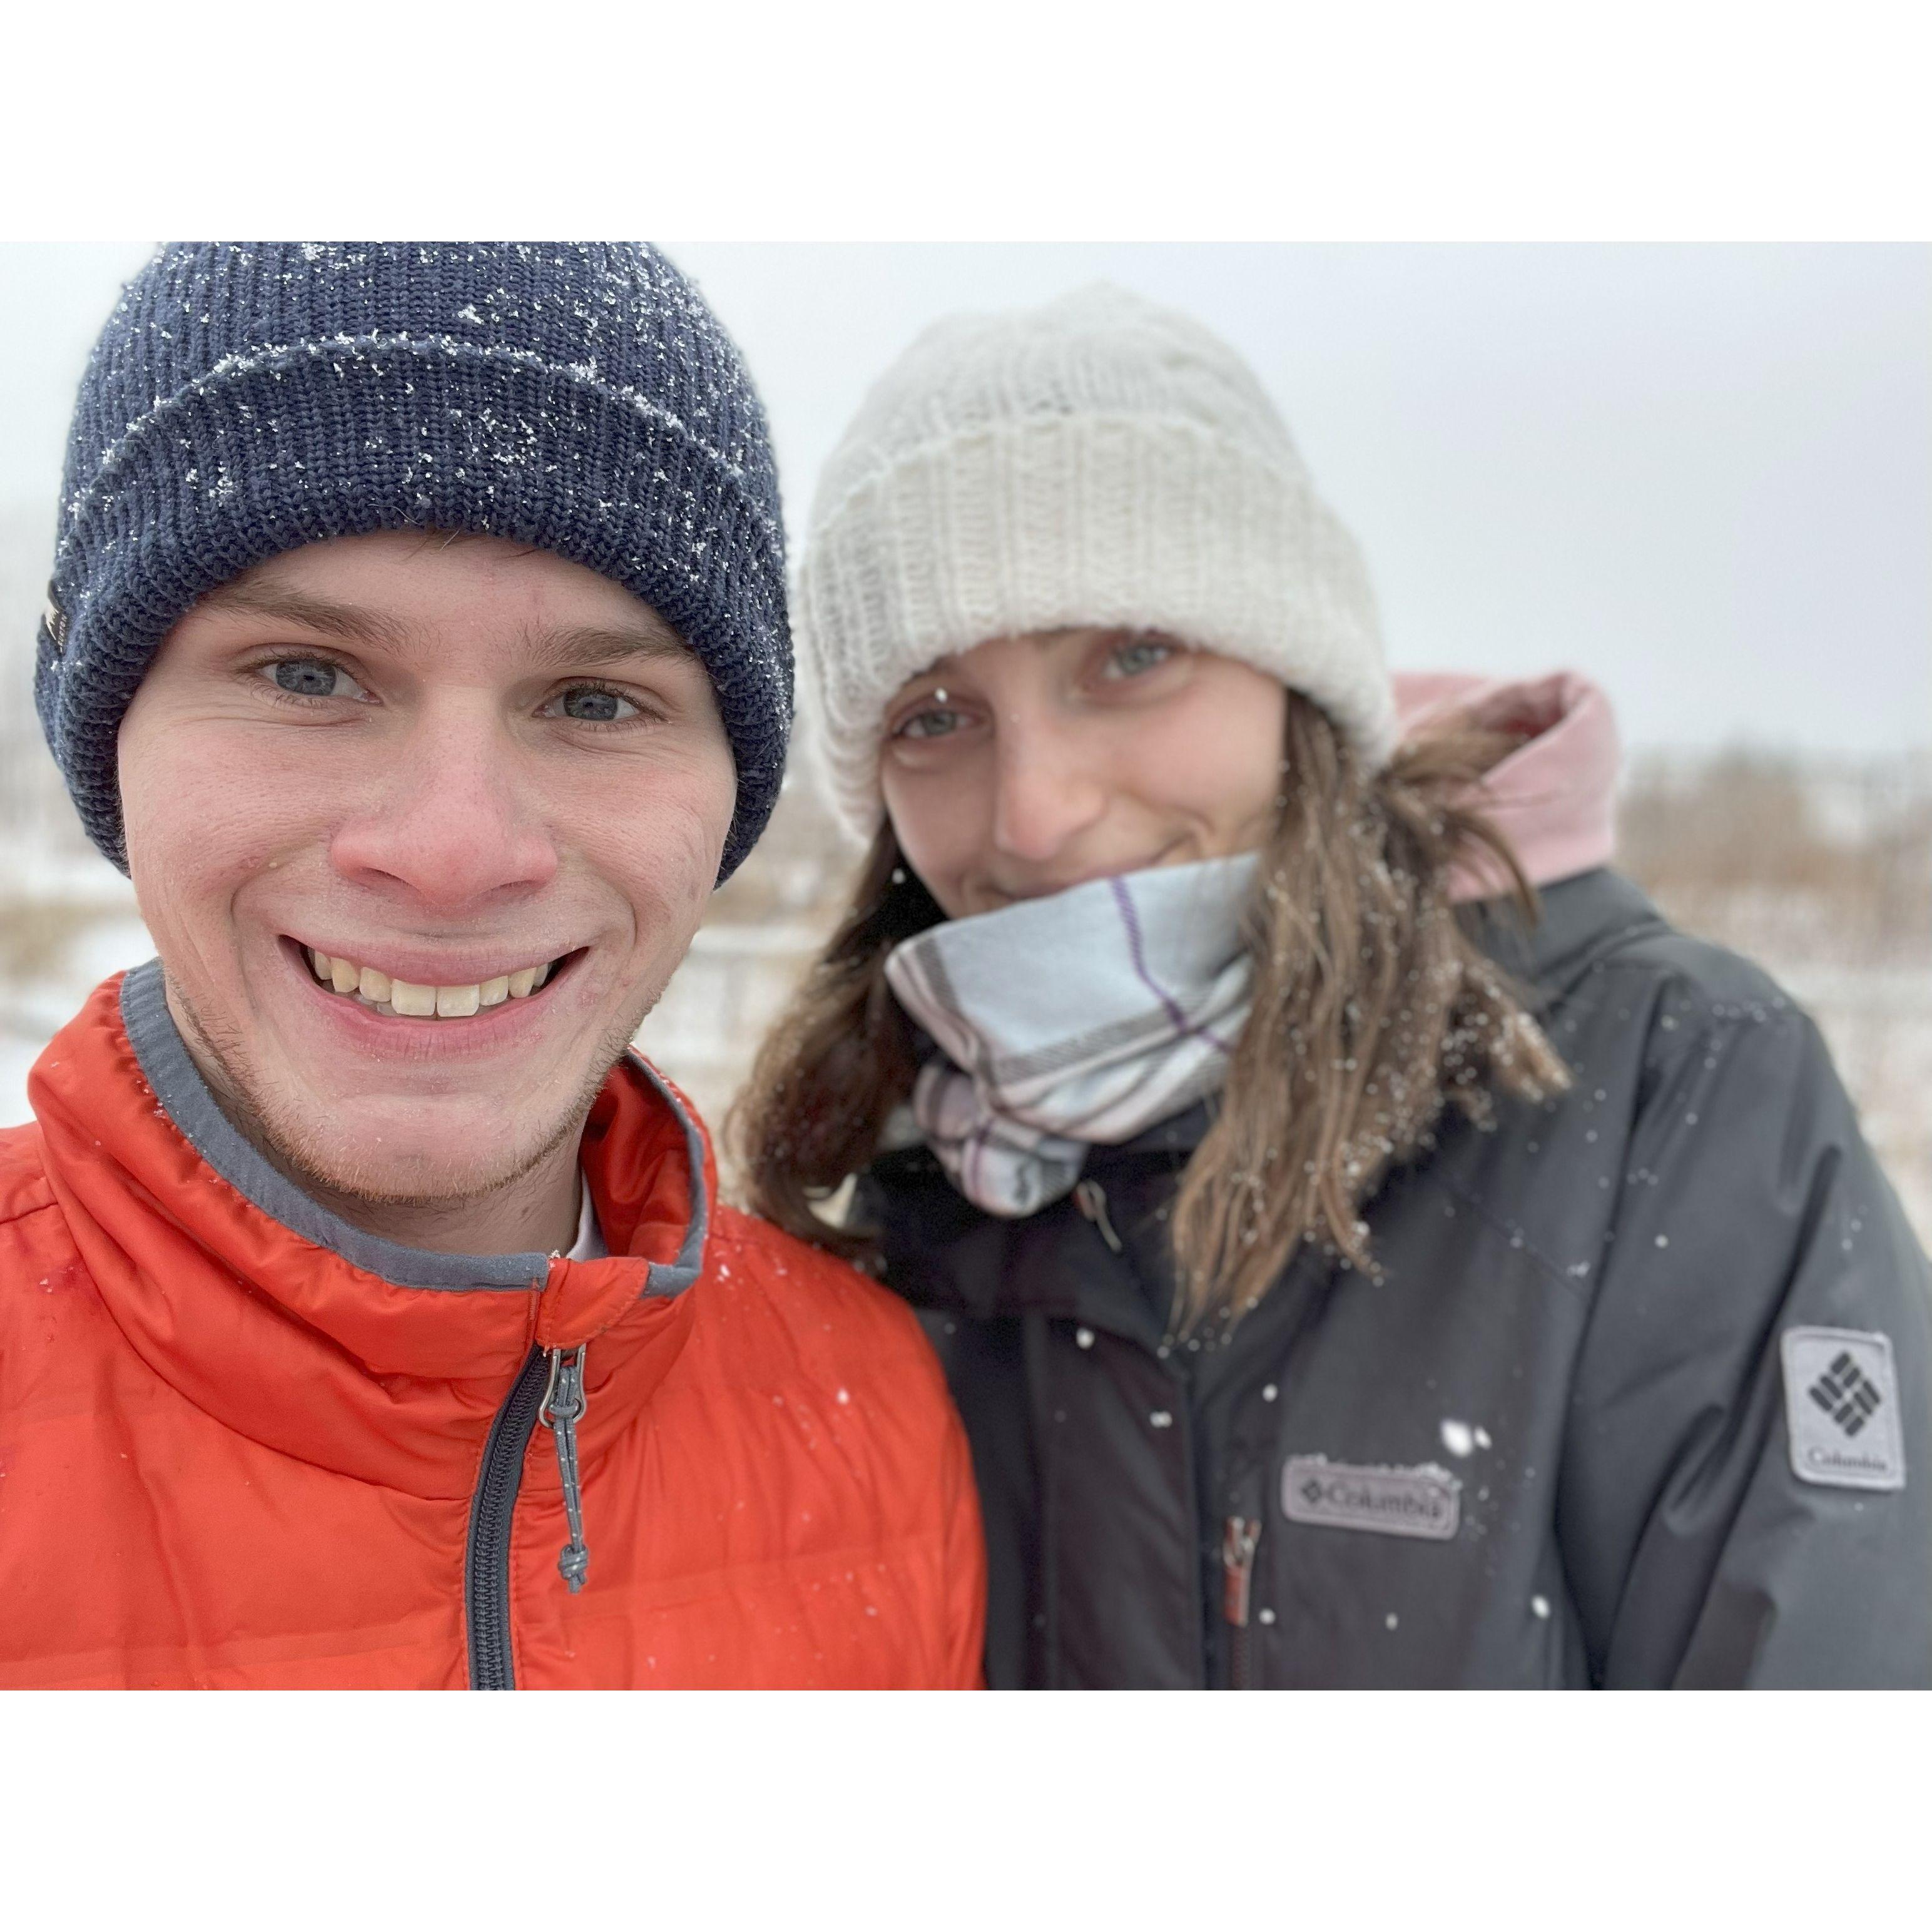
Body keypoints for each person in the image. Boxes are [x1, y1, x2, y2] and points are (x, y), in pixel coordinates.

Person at [735, 282, 1932, 1689]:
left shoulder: (1668, 1085)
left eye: (1129, 656)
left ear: (1297, 677)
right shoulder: (872, 1193)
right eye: (935, 717)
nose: (1035, 811)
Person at [0, 242, 982, 1690]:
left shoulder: (878, 1408)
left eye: (594, 698)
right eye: (305, 675)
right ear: (107, 734)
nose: (453, 850)